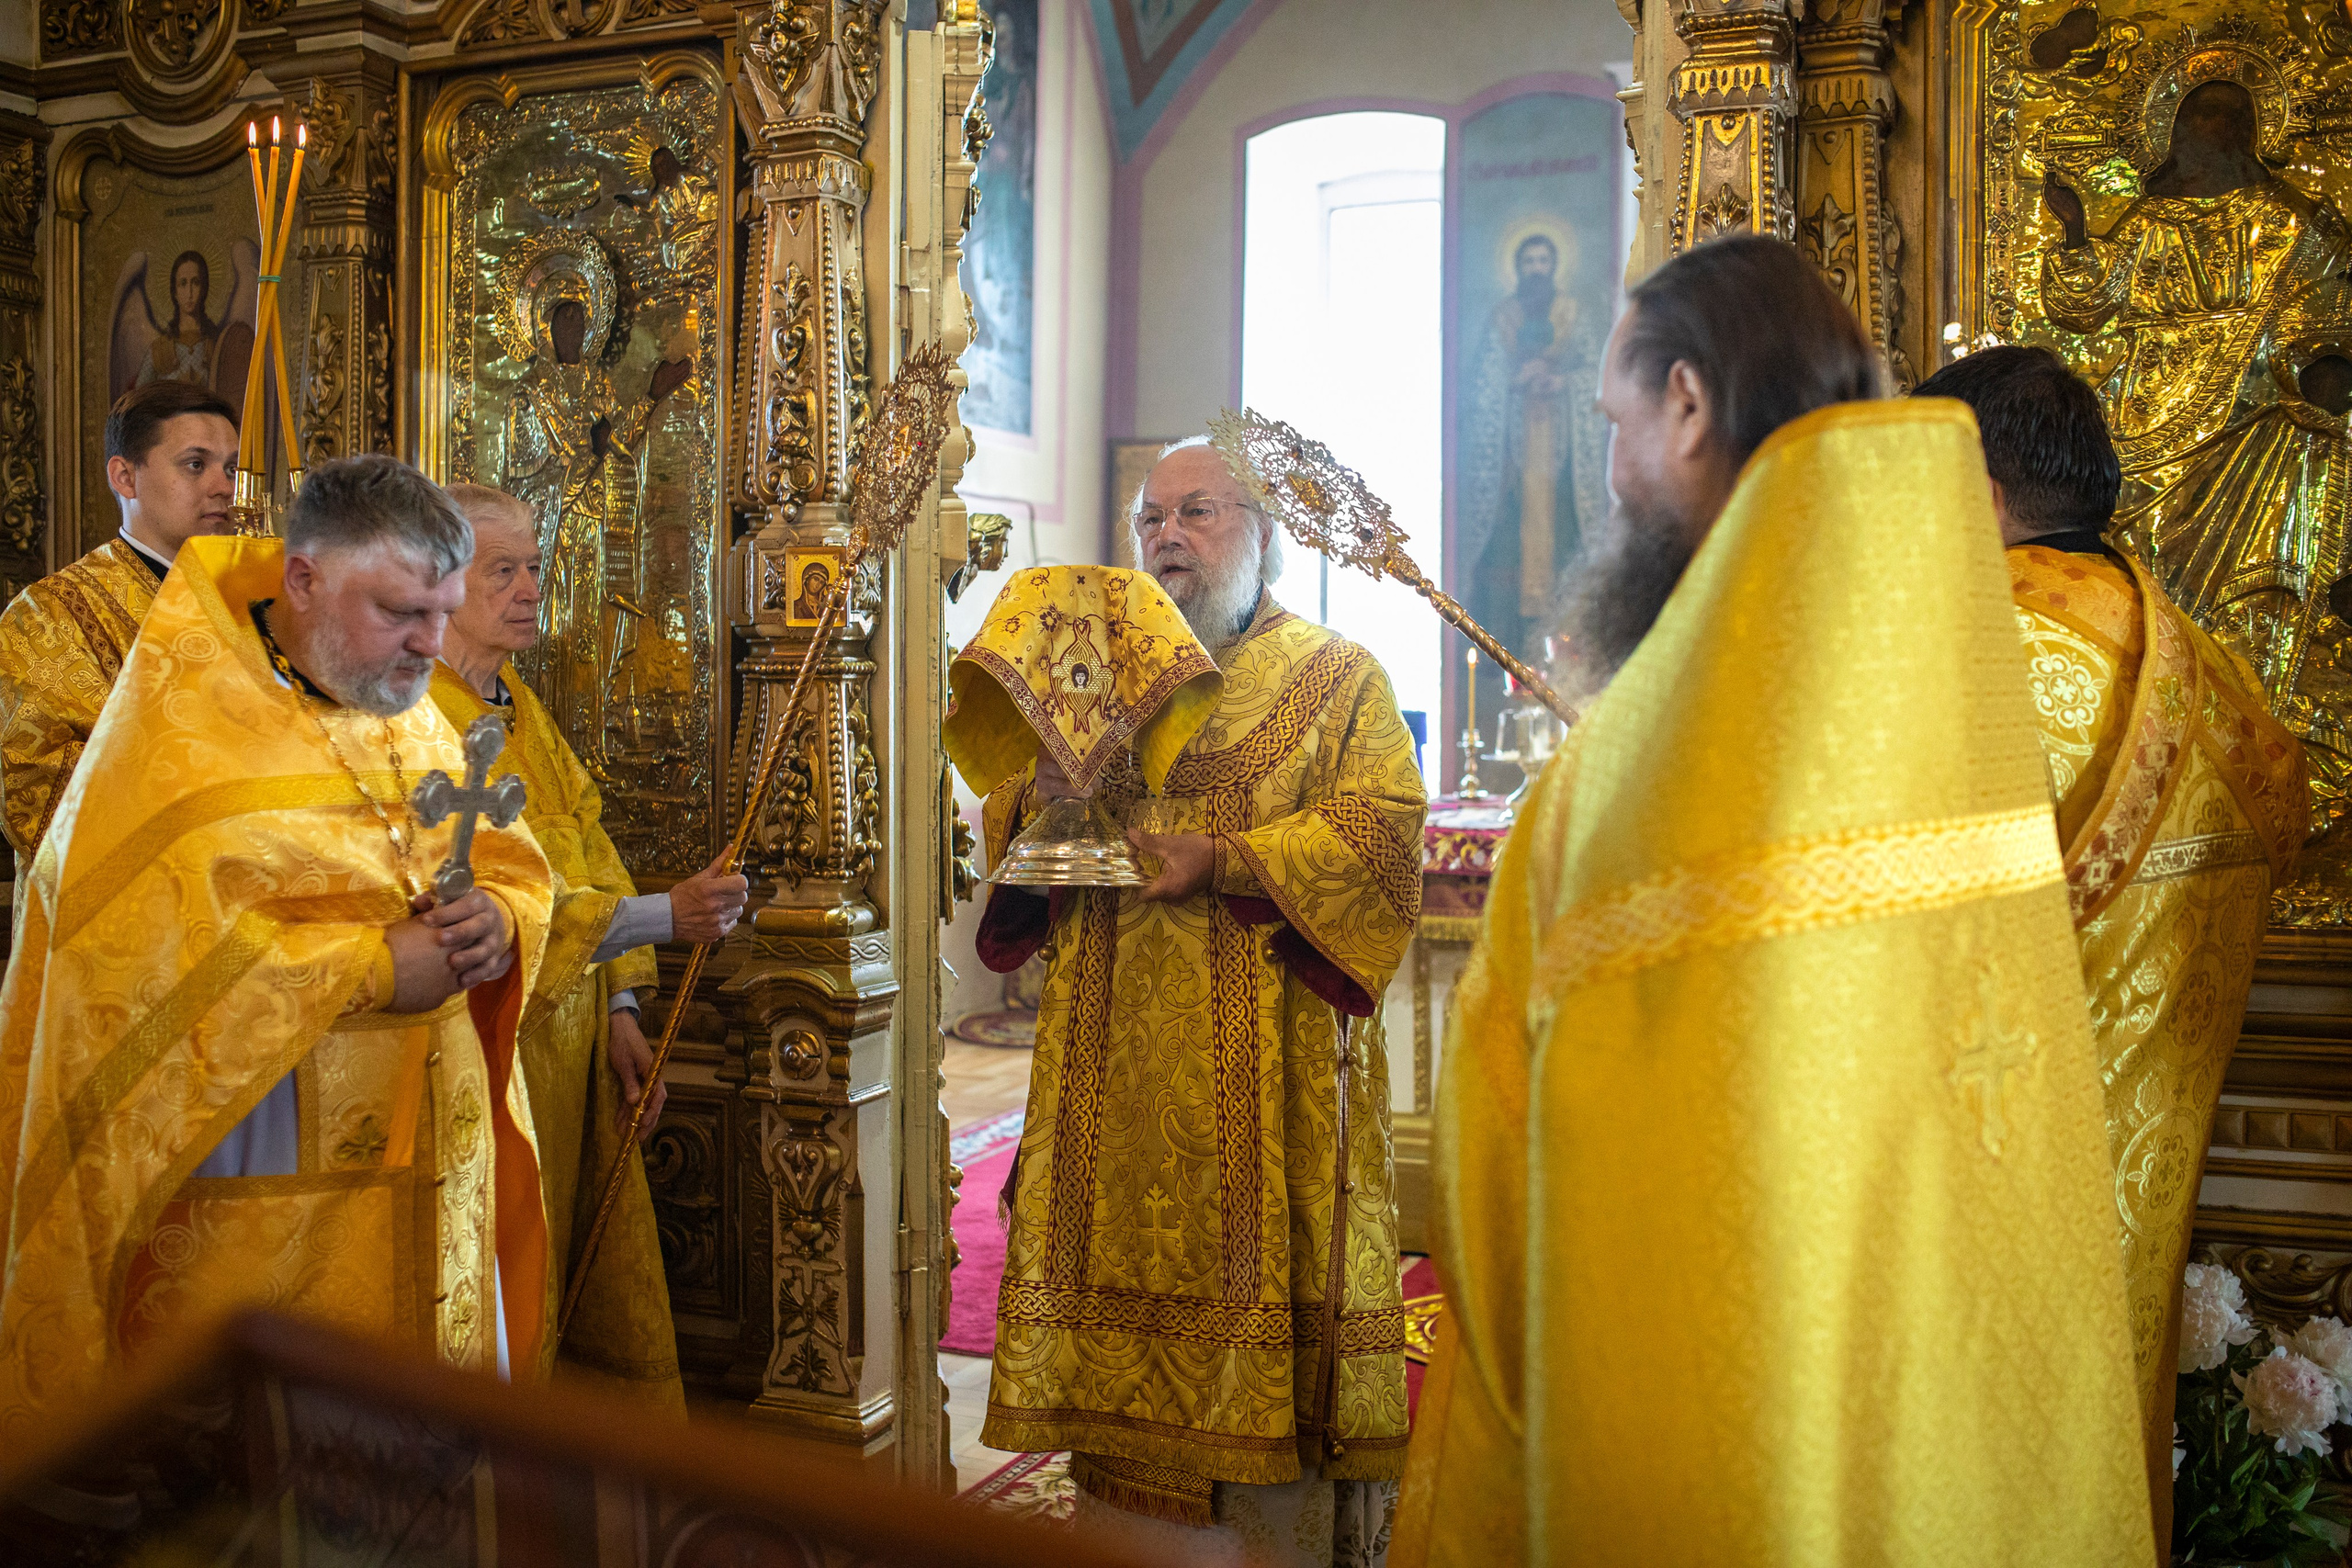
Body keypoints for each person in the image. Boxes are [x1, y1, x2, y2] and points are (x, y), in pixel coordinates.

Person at [1393, 237, 2155, 1566]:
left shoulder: (1641, 771)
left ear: (1687, 405)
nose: (1610, 474)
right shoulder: (1963, 695)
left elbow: (1501, 1184)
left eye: (1615, 425)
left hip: (1720, 1447)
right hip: (1960, 1416)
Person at [0, 455, 553, 1438]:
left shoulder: (401, 699)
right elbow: (132, 980)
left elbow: (513, 860)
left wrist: (503, 920)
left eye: (443, 611)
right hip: (262, 1179)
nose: (432, 647)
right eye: (398, 613)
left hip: (438, 1171)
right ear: (301, 578)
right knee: (288, 1481)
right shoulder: (177, 734)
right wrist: (377, 968)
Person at [973, 437, 1427, 1563]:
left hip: (1268, 1080)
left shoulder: (1337, 675)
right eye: (1150, 518)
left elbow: (1382, 833)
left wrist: (1221, 860)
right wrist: (1045, 789)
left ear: (1260, 534)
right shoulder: (1097, 685)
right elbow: (1013, 832)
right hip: (1105, 1076)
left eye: (1198, 514)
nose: (1167, 536)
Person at [1913, 344, 2307, 1532]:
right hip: (2127, 1246)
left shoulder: (1972, 664)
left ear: (1969, 499)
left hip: (1953, 1233)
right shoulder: (2220, 681)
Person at [432, 482, 750, 1407]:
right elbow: (499, 900)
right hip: (491, 1049)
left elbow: (587, 848)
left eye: (535, 566)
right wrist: (666, 918)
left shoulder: (516, 703)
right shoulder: (422, 719)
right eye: (505, 570)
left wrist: (617, 1007)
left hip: (572, 1044)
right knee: (504, 1272)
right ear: (445, 582)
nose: (532, 587)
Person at [0, 381, 238, 886]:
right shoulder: (48, 615)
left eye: (230, 467)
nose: (223, 486)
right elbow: (32, 789)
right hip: (120, 911)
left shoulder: (254, 600)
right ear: (125, 476)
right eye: (196, 464)